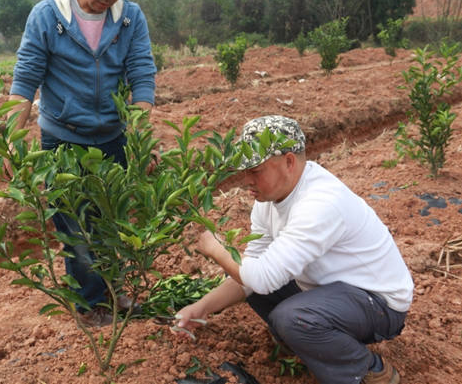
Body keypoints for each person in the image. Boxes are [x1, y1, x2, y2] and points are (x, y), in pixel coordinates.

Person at [176, 115, 413, 384]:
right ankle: (317, 344)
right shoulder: (268, 200)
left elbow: (260, 278)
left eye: (255, 171)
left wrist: (216, 249)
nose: (246, 180)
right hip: (333, 290)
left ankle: (367, 370)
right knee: (253, 280)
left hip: (378, 303)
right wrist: (201, 307)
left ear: (289, 161)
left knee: (292, 317)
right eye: (244, 171)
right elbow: (251, 273)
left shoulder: (320, 203)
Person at [7, 0, 157, 327]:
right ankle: (91, 307)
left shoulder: (130, 18)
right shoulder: (47, 15)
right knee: (76, 230)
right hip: (63, 142)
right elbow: (25, 81)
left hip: (113, 139)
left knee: (113, 221)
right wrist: (10, 141)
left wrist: (140, 138)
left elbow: (142, 75)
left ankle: (112, 291)